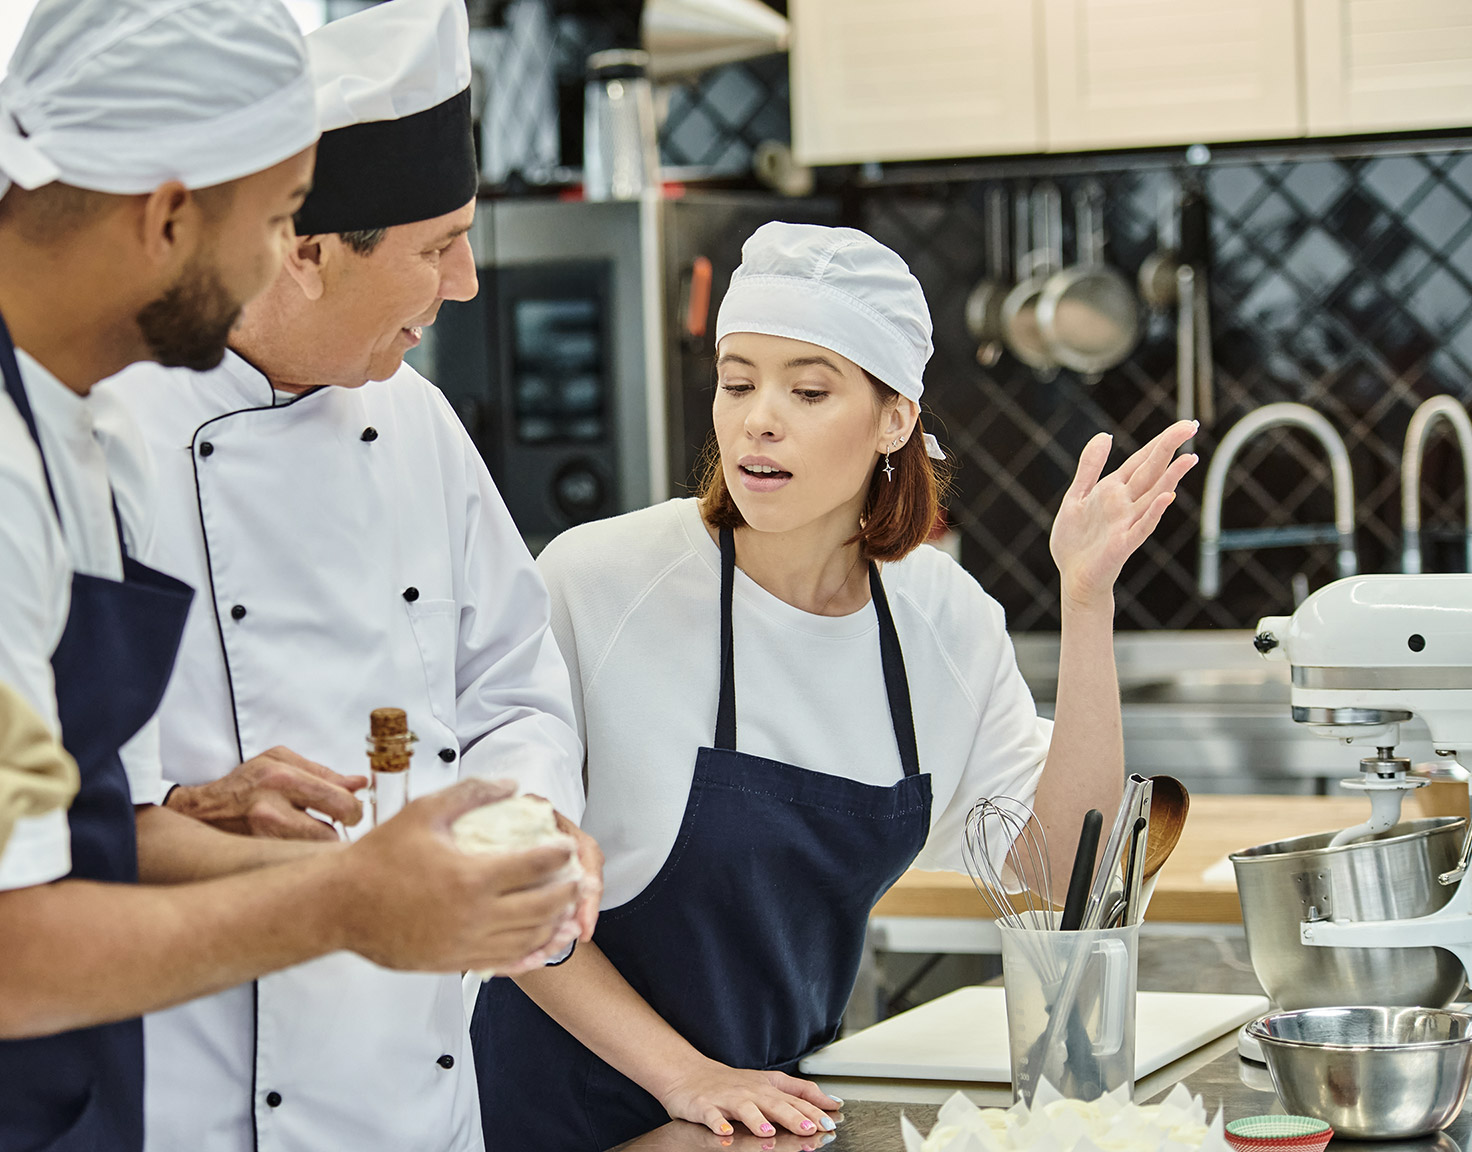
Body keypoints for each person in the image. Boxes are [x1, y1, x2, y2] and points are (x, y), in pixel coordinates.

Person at [0, 2, 580, 1150]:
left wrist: (168, 817)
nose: (283, 262)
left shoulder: (40, 417)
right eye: (275, 220)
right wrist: (353, 901)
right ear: (167, 216)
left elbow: (38, 823)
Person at [471, 223, 1200, 1151]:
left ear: (896, 418)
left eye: (809, 389)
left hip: (765, 1119)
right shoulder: (599, 582)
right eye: (738, 383)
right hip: (563, 1110)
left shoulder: (942, 618)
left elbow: (1063, 879)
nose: (757, 418)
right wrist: (689, 1079)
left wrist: (1086, 603)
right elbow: (502, 893)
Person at [104, 0, 596, 1148]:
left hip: (413, 1090)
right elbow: (49, 813)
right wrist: (184, 813)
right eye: (438, 246)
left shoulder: (415, 422)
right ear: (307, 251)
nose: (466, 284)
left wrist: (526, 825)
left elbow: (513, 685)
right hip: (194, 1092)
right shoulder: (106, 431)